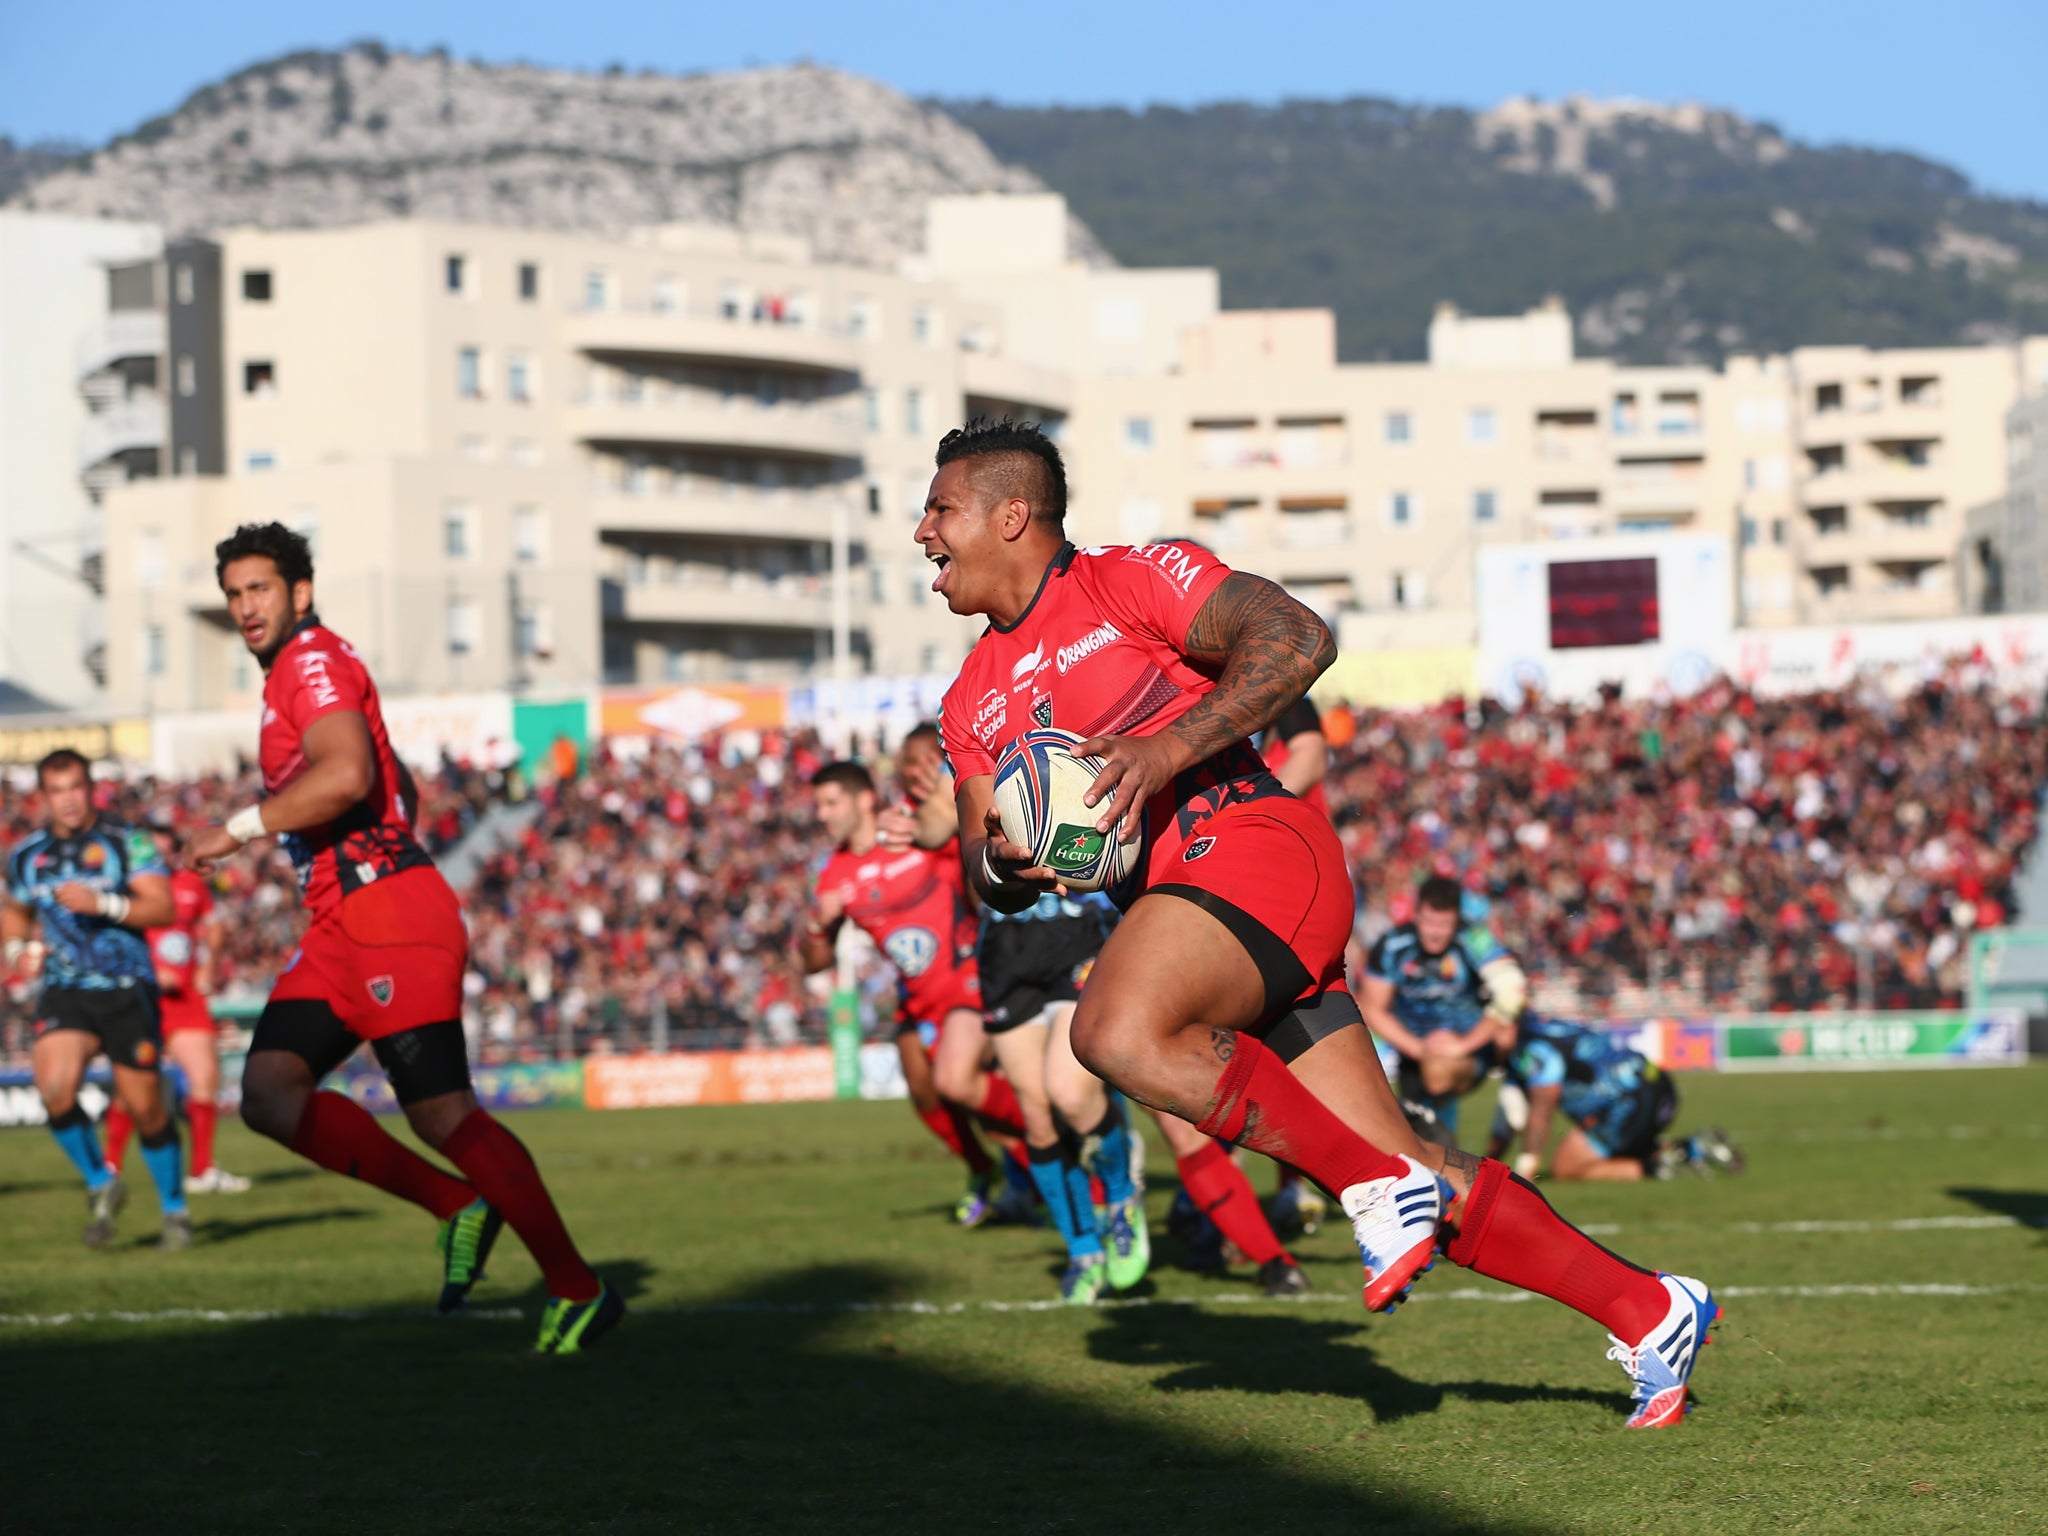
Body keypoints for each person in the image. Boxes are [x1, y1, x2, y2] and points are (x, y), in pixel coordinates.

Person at [919, 418, 1717, 1428]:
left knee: (1113, 1034)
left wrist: (1162, 752)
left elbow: (1299, 638)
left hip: (1254, 852)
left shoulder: (1129, 581)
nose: (922, 534)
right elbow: (979, 873)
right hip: (1199, 917)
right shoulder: (966, 703)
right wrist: (1007, 860)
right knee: (1420, 1169)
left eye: (938, 510)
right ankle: (1649, 1311)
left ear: (1010, 515)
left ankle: (1368, 1189)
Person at [184, 522, 621, 1354]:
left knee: (445, 1113)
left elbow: (348, 774)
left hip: (387, 918)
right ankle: (458, 1206)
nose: (246, 607)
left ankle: (580, 1288)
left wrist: (237, 828)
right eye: (235, 593)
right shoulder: (295, 672)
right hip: (342, 925)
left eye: (261, 589)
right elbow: (395, 782)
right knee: (271, 1094)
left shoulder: (308, 662)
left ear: (299, 594)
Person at [800, 758, 1026, 1226]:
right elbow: (814, 963)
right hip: (917, 997)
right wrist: (819, 926)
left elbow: (963, 847)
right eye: (817, 805)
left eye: (830, 802)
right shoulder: (836, 873)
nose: (821, 814)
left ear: (864, 799)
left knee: (970, 1094)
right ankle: (984, 1171)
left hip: (968, 978)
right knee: (925, 1092)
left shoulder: (911, 830)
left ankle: (1054, 1145)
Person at [5, 750, 189, 1249]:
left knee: (146, 1108)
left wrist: (103, 903)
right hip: (67, 992)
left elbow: (162, 907)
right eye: (56, 790)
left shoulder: (127, 842)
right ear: (43, 797)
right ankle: (101, 1181)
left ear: (92, 788)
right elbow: (15, 913)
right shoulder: (26, 855)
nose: (67, 800)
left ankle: (174, 1210)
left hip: (127, 989)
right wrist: (19, 949)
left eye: (76, 787)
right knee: (54, 1087)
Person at [104, 818, 250, 1194]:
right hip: (142, 997)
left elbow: (214, 926)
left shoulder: (191, 884)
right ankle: (110, 1168)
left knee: (206, 1078)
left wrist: (208, 966)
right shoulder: (126, 889)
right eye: (153, 848)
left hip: (184, 999)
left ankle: (202, 1169)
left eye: (166, 847)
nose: (160, 854)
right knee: (129, 1089)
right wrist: (149, 972)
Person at [1361, 876, 1527, 1142]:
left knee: (1440, 1072)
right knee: (1408, 1140)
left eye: (1444, 924)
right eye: (1429, 922)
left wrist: (1461, 1045)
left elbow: (1513, 991)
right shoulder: (1393, 945)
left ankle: (1449, 1152)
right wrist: (1418, 1048)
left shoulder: (1474, 938)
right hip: (1412, 1052)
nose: (1435, 932)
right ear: (1416, 915)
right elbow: (1371, 1008)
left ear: (1457, 920)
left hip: (1469, 1052)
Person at [1484, 1015, 1745, 1183]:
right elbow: (1510, 1115)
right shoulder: (1542, 1027)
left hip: (1627, 1099)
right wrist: (1487, 1166)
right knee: (1620, 1149)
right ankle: (1690, 1150)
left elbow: (1543, 1105)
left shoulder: (1531, 1050)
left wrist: (1525, 1171)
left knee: (1566, 1166)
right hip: (1656, 1084)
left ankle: (1662, 1166)